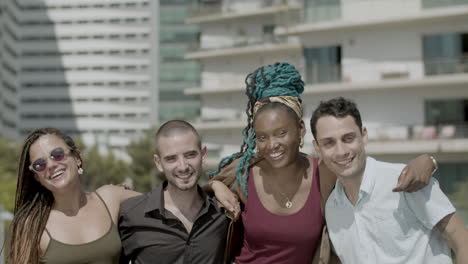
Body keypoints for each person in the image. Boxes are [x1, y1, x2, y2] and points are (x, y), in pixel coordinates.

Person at [208, 62, 436, 264]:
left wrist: (428, 160)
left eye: (281, 133)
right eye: (262, 137)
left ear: (300, 131)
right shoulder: (243, 174)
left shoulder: (325, 172)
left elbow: (372, 174)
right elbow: (194, 194)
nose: (271, 145)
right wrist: (215, 185)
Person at [311, 97, 468, 263]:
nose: (341, 151)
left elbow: (461, 240)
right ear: (317, 148)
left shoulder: (408, 180)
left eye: (348, 138)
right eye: (329, 143)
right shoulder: (332, 209)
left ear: (364, 136)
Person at [6, 127, 140, 264]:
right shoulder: (31, 226)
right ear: (36, 177)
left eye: (57, 155)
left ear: (77, 158)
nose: (51, 165)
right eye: (40, 164)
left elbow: (160, 202)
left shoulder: (110, 198)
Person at [118, 120, 230, 264]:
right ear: (158, 163)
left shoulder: (223, 210)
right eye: (171, 158)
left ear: (203, 154)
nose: (183, 166)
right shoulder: (130, 215)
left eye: (190, 155)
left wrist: (216, 184)